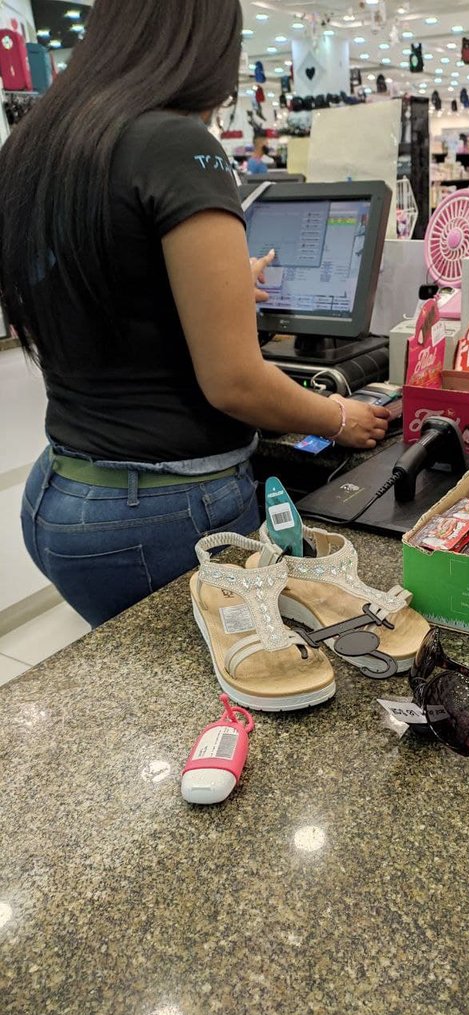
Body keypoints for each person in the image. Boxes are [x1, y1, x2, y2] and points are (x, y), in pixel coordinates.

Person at [0, 0, 388, 629]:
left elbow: (103, 283)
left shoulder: (40, 143)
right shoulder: (178, 144)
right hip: (161, 510)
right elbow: (235, 381)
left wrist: (224, 286)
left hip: (58, 494)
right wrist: (340, 415)